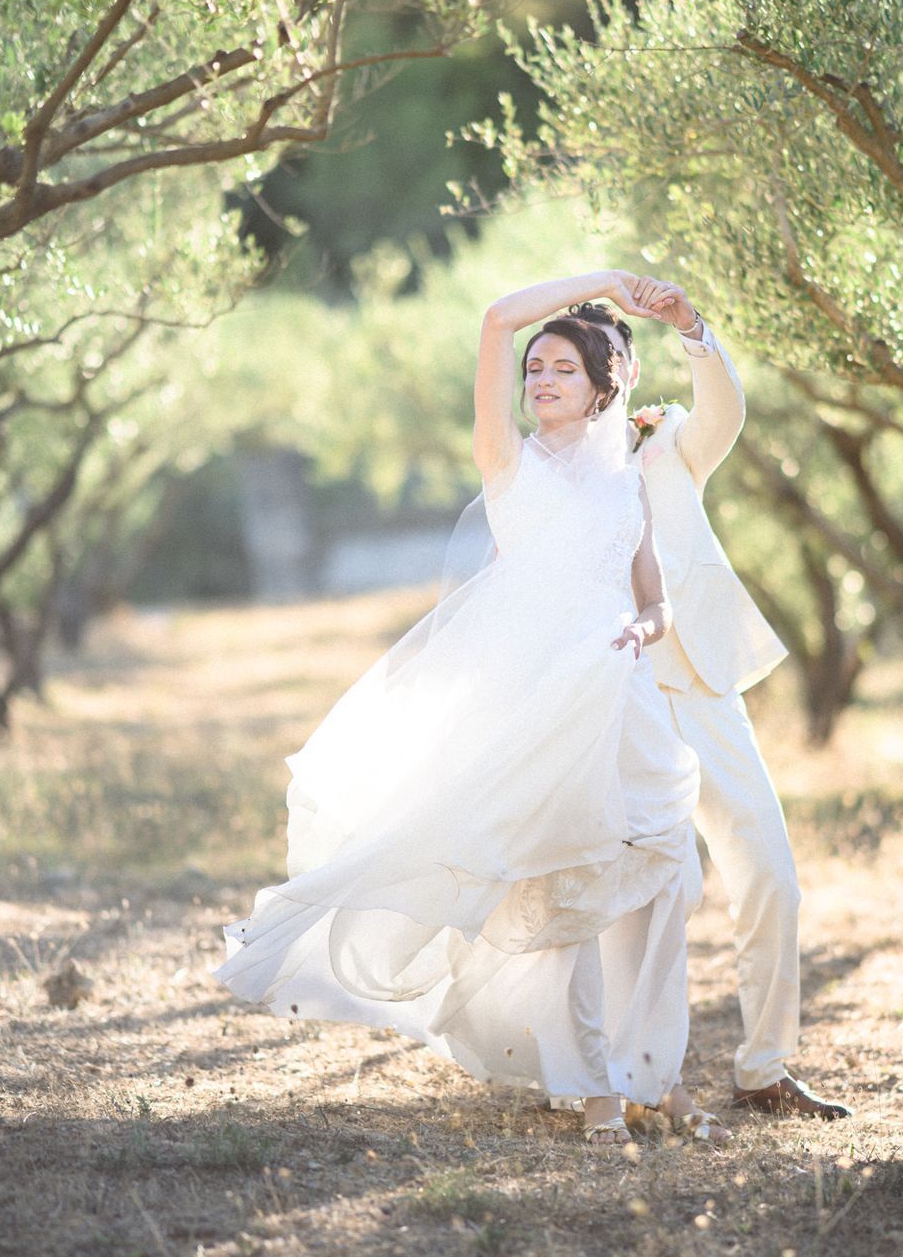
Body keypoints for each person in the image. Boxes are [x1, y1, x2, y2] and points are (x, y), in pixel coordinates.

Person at [215, 271, 732, 1146]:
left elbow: (656, 600)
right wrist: (604, 284)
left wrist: (642, 632)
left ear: (607, 385)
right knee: (563, 889)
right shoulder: (508, 460)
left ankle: (657, 1074)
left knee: (669, 875)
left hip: (619, 699)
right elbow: (495, 320)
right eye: (536, 369)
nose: (541, 381)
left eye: (563, 368)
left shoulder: (630, 482)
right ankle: (598, 1087)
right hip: (535, 707)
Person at [569, 288, 853, 1120]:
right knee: (646, 895)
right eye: (580, 356)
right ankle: (611, 1074)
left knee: (769, 869)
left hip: (703, 686)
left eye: (610, 353)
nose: (600, 368)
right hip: (617, 697)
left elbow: (724, 413)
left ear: (624, 367)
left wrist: (693, 330)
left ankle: (764, 1068)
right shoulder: (558, 458)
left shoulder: (668, 445)